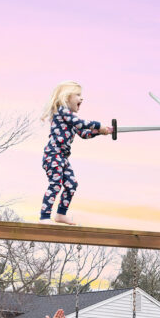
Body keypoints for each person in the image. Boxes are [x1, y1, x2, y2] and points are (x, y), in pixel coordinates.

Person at [39, 81, 113, 224]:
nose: (82, 98)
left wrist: (100, 132)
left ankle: (61, 214)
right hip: (53, 154)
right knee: (55, 183)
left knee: (72, 184)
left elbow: (84, 133)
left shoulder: (70, 120)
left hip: (62, 157)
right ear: (66, 97)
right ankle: (44, 216)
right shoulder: (62, 111)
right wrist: (99, 125)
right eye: (78, 95)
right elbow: (81, 123)